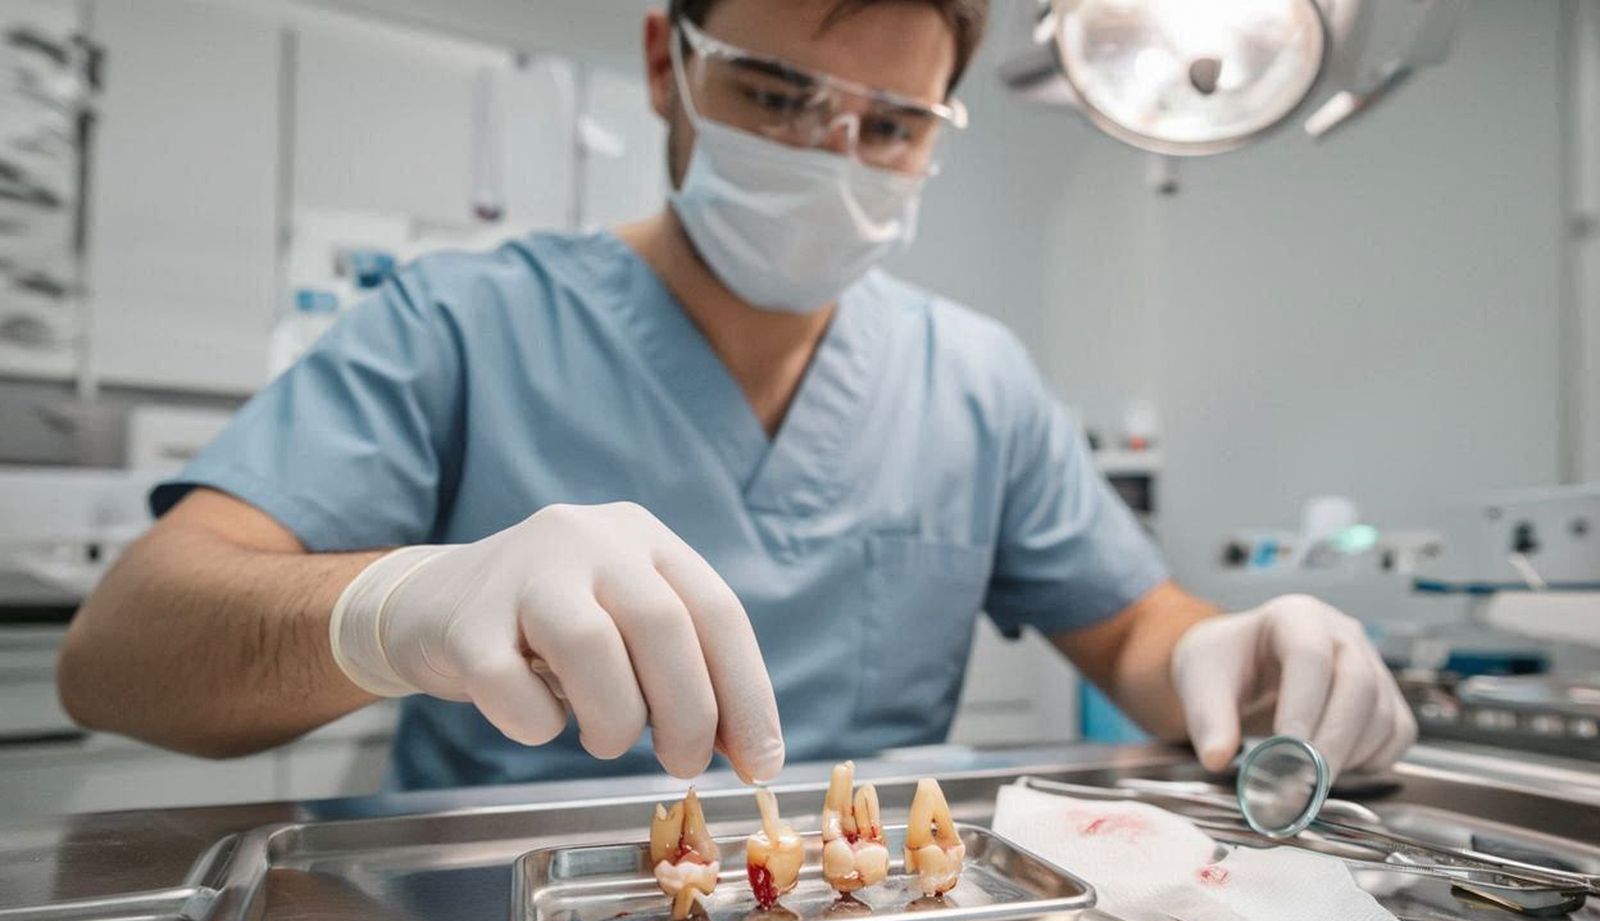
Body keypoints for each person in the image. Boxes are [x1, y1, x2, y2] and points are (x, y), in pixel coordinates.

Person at [57, 0, 1416, 791]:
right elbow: (118, 654)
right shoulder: (460, 325)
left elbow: (1131, 633)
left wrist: (1229, 659)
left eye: (892, 129)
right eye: (777, 96)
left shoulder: (976, 380)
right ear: (669, 63)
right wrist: (392, 611)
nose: (836, 157)